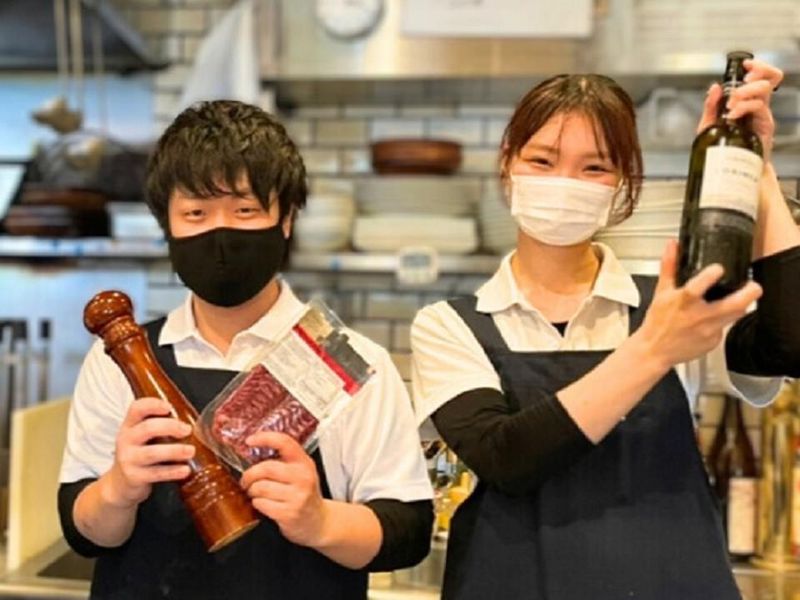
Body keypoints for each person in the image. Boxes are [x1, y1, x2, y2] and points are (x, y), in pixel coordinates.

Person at [411, 61, 800, 599]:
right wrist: (653, 350)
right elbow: (507, 458)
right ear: (507, 165)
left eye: (594, 167)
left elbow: (790, 343)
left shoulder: (675, 305)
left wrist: (753, 168)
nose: (564, 182)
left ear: (623, 185)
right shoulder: (449, 326)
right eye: (542, 160)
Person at [58, 100, 434, 600]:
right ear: (167, 224)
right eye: (195, 213)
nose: (221, 233)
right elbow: (83, 532)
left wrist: (319, 520)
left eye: (245, 210)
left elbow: (407, 533)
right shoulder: (122, 360)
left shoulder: (348, 362)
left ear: (286, 218)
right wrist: (119, 488)